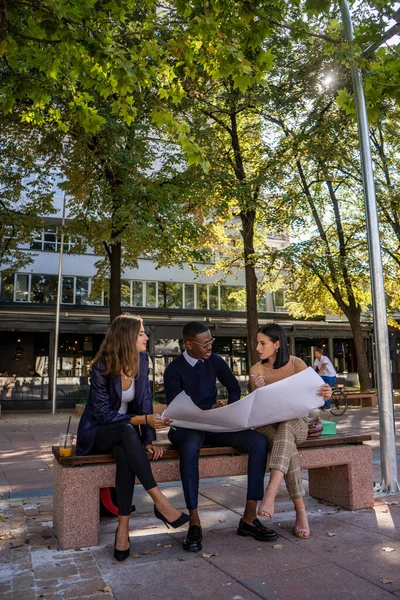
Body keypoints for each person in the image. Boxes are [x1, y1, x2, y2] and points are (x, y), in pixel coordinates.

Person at [76, 314, 190, 562]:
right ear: (127, 336)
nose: (146, 337)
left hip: (125, 436)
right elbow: (104, 414)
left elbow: (144, 402)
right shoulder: (101, 367)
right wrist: (143, 422)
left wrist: (149, 441)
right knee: (126, 432)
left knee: (125, 455)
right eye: (141, 333)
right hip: (98, 433)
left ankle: (123, 529)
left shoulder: (142, 359)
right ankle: (160, 501)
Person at [164, 321, 278, 553]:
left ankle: (248, 518)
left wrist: (231, 410)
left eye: (211, 341)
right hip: (185, 427)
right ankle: (194, 522)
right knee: (190, 447)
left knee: (258, 442)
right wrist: (204, 413)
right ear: (189, 344)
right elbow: (175, 410)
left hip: (215, 423)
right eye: (205, 343)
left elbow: (234, 387)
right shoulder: (173, 370)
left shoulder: (214, 361)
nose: (209, 347)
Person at [249, 324, 332, 539]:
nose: (258, 347)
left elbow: (317, 394)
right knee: (286, 444)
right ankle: (300, 512)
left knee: (286, 430)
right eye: (257, 342)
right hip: (267, 426)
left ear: (277, 344)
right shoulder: (255, 370)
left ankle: (270, 492)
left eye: (263, 343)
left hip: (296, 423)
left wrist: (326, 392)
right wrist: (257, 390)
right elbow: (254, 409)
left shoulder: (298, 364)